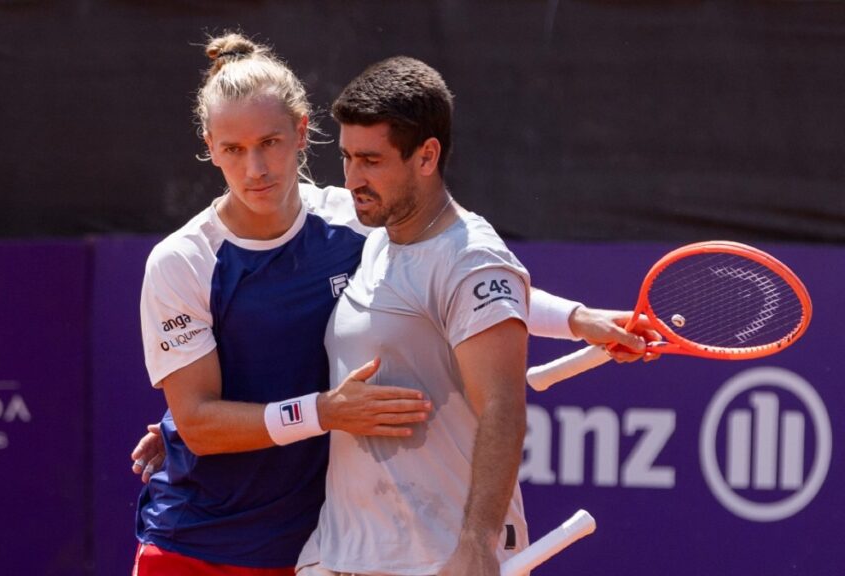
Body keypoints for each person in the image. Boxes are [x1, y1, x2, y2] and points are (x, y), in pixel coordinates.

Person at [133, 32, 653, 576]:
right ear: (209, 146)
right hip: (198, 542)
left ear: (302, 132)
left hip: (308, 544)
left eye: (270, 142)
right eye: (233, 150)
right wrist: (321, 412)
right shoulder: (183, 262)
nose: (255, 168)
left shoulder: (358, 222)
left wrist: (578, 319)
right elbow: (199, 424)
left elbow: (467, 288)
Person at [292, 56, 553, 576]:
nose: (353, 179)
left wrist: (477, 543)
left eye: (371, 160)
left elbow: (503, 407)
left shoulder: (471, 260)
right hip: (344, 554)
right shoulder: (376, 240)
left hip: (438, 559)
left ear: (427, 156)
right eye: (347, 157)